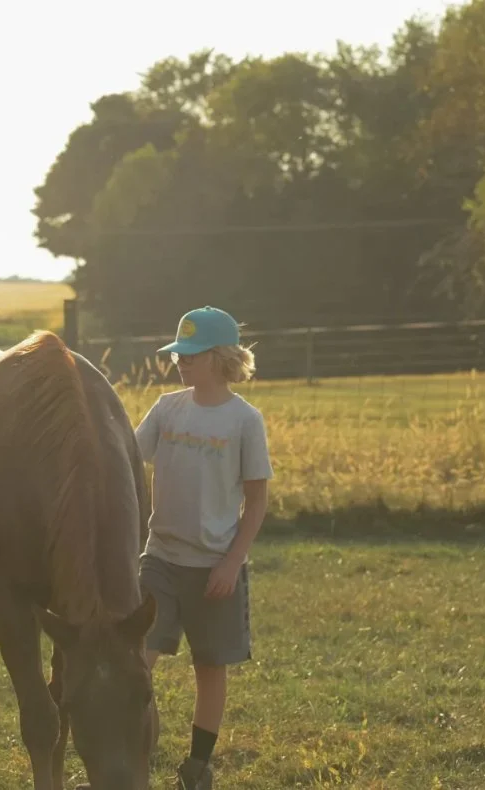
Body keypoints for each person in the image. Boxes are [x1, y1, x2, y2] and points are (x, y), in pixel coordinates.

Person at [134, 306, 273, 790]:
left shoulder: (244, 421)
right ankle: (130, 766)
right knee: (138, 662)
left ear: (220, 358)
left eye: (191, 354)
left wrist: (231, 563)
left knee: (210, 668)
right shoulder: (167, 408)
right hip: (161, 561)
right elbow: (129, 459)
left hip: (215, 568)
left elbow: (256, 501)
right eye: (178, 353)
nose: (180, 362)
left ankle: (197, 767)